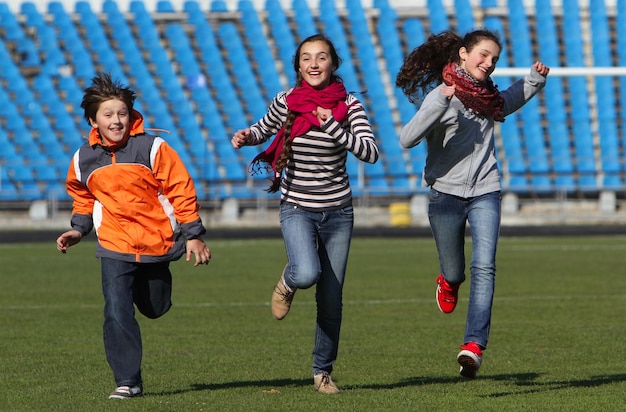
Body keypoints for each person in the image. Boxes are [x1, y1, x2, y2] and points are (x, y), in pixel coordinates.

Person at [396, 29, 549, 379]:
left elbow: (507, 101)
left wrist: (534, 80)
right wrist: (438, 102)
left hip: (485, 190)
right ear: (463, 54)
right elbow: (407, 138)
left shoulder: (489, 95)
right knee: (456, 270)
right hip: (445, 194)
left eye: (494, 58)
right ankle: (448, 281)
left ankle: (474, 345)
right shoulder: (442, 93)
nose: (489, 63)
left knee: (486, 266)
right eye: (483, 54)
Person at [231, 34, 379, 393]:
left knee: (331, 298)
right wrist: (245, 136)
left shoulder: (351, 105)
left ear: (333, 64)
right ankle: (288, 281)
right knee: (307, 272)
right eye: (307, 58)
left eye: (322, 57)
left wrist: (332, 124)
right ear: (298, 66)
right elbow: (263, 128)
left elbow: (370, 152)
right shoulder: (287, 101)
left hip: (339, 213)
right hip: (297, 206)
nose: (314, 64)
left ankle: (322, 371)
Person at [56, 73, 212, 399]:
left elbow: (180, 190)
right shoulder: (83, 158)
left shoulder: (153, 147)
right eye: (108, 114)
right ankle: (128, 381)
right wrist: (78, 228)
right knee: (116, 310)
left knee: (155, 307)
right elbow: (83, 196)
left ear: (132, 115)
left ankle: (154, 293)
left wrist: (193, 234)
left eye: (122, 113)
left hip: (157, 242)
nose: (116, 120)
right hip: (113, 244)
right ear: (93, 120)